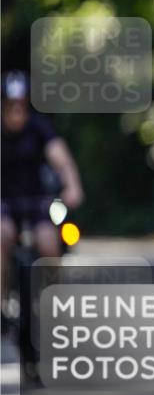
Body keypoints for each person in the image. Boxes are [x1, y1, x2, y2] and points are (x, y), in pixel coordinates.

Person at [1, 70, 85, 330]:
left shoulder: (39, 127)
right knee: (1, 236)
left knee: (49, 243)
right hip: (4, 204)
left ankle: (55, 305)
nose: (16, 111)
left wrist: (72, 186)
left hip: (37, 202)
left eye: (21, 105)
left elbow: (61, 159)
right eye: (10, 105)